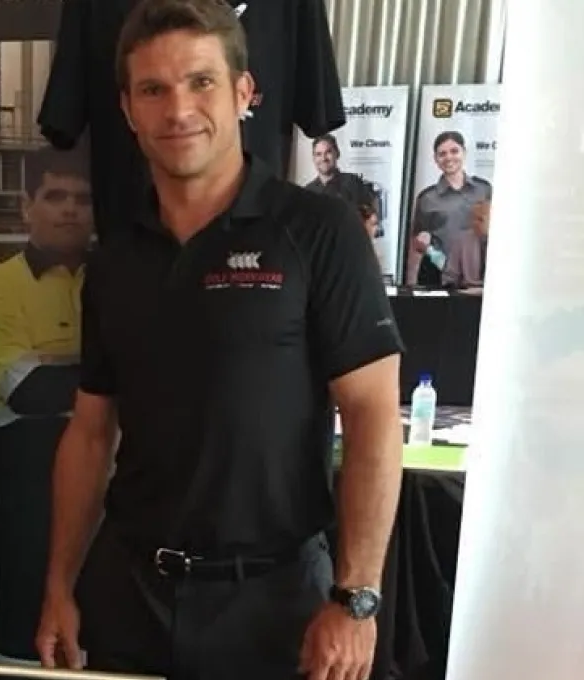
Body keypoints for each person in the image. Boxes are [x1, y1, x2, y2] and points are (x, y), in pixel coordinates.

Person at [34, 1, 405, 679]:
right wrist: (60, 586)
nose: (178, 110)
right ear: (127, 110)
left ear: (244, 93)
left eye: (201, 82)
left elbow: (374, 414)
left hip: (276, 604)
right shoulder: (115, 258)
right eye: (154, 89)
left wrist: (355, 598)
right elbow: (90, 433)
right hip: (131, 598)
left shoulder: (319, 231)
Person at [0, 145, 92, 664]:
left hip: (106, 498)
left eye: (82, 199)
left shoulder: (113, 282)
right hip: (26, 497)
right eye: (54, 196)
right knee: (25, 651)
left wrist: (56, 364)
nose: (69, 209)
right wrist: (105, 377)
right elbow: (29, 392)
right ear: (26, 206)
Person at [408, 131, 493, 286]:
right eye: (442, 154)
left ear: (464, 153)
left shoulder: (484, 189)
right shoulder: (427, 198)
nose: (448, 158)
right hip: (440, 274)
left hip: (480, 275)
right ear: (435, 159)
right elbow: (418, 241)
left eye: (454, 151)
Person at [304, 133, 376, 213]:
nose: (323, 158)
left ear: (337, 154)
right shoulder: (307, 192)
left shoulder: (353, 182)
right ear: (313, 159)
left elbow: (369, 217)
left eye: (328, 152)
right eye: (318, 154)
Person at [442, 198, 490, 290]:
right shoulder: (461, 240)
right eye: (473, 218)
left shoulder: (508, 243)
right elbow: (450, 276)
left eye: (480, 219)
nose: (474, 223)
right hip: (466, 292)